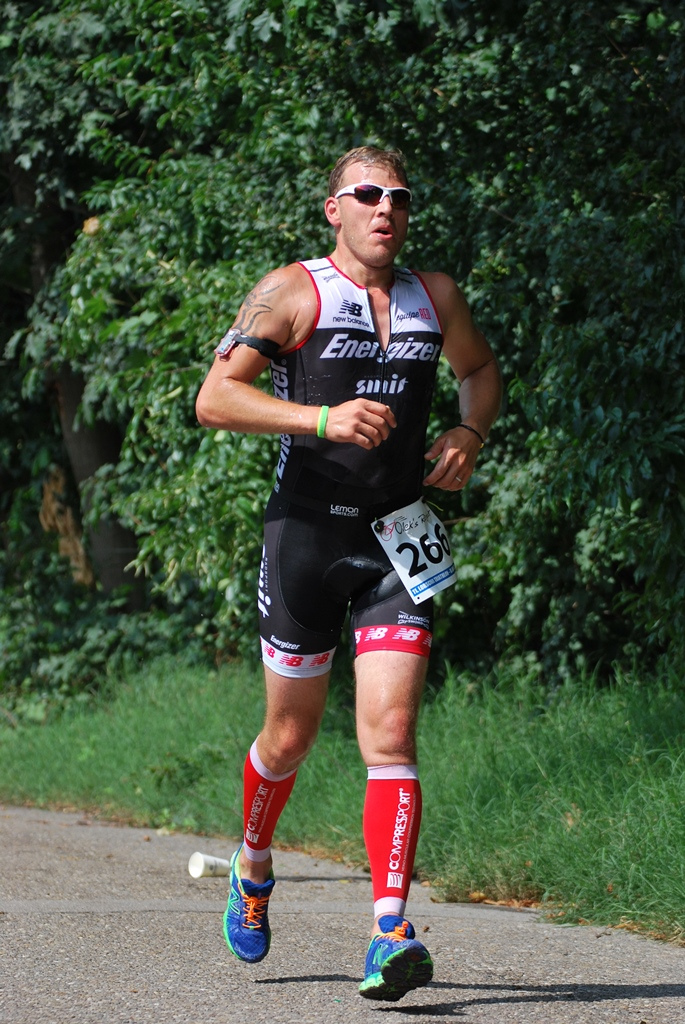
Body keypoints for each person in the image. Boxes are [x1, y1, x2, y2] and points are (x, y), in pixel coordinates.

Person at [195, 145, 501, 1002]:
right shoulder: (292, 291)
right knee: (288, 738)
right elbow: (214, 399)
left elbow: (479, 373)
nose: (385, 209)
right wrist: (319, 418)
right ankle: (254, 866)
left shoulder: (435, 296)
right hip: (304, 537)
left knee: (391, 734)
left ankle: (390, 931)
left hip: (398, 537)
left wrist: (468, 432)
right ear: (335, 208)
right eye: (367, 195)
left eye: (399, 198)